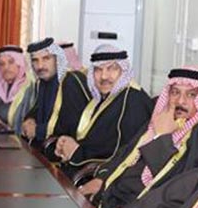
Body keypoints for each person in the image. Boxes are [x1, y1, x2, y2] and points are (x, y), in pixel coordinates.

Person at [85, 67, 198, 208]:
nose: (180, 101)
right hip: (112, 197)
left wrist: (161, 136)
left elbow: (173, 185)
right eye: (175, 92)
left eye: (191, 95)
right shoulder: (163, 119)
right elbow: (126, 152)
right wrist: (102, 178)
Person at [53, 45, 152, 179]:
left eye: (111, 68)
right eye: (98, 70)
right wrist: (67, 144)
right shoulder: (103, 99)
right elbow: (96, 139)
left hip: (105, 177)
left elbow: (126, 152)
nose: (104, 76)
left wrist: (77, 152)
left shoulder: (134, 100)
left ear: (123, 71)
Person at [19, 37, 90, 158]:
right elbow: (38, 108)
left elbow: (73, 124)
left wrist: (38, 130)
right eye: (35, 60)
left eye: (46, 58)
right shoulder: (42, 82)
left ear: (57, 59)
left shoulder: (70, 80)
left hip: (66, 152)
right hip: (44, 148)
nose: (40, 66)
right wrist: (30, 119)